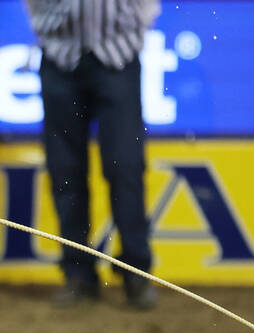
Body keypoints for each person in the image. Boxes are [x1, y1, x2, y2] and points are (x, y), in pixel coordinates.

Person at [24, 0, 160, 310]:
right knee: (65, 171)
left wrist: (135, 24)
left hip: (118, 56)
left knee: (126, 165)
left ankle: (136, 274)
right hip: (60, 55)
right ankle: (78, 275)